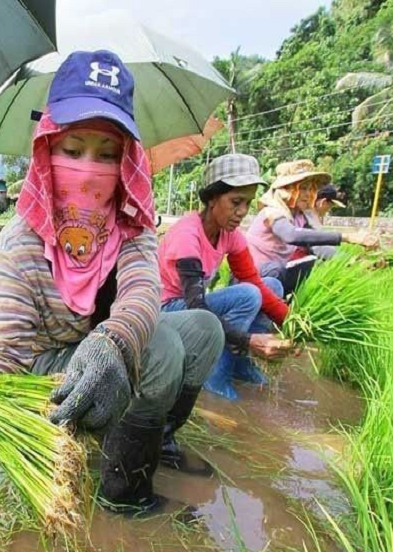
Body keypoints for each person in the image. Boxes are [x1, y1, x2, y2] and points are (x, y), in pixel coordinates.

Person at [0, 49, 224, 514]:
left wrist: (115, 342)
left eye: (107, 154)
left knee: (204, 330)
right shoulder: (20, 244)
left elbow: (143, 293)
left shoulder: (131, 222)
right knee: (163, 350)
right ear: (48, 147)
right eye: (73, 150)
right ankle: (121, 494)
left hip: (106, 348)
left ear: (125, 162)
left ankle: (148, 440)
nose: (89, 168)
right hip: (45, 371)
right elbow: (5, 354)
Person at [158, 154, 293, 402]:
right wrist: (249, 340)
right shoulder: (187, 235)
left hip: (191, 306)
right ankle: (214, 374)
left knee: (271, 287)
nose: (242, 212)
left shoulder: (229, 234)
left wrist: (293, 323)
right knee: (247, 296)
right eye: (235, 202)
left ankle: (239, 366)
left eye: (247, 203)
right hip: (165, 311)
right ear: (212, 199)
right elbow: (195, 306)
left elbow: (255, 281)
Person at [247, 160, 378, 297]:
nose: (308, 194)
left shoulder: (299, 217)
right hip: (251, 275)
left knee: (307, 265)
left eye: (311, 189)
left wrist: (354, 262)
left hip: (272, 276)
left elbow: (318, 247)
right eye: (302, 188)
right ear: (286, 190)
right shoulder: (272, 212)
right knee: (280, 271)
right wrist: (347, 237)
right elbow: (291, 235)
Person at [289, 184, 348, 262]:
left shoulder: (308, 216)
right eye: (330, 205)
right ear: (322, 202)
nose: (329, 210)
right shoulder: (306, 219)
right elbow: (317, 247)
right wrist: (347, 259)